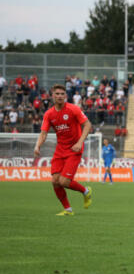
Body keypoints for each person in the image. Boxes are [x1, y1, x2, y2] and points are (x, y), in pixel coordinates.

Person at [33, 84, 93, 216]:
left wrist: (80, 142)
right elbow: (43, 133)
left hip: (74, 149)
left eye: (62, 94)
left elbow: (88, 124)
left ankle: (85, 191)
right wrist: (37, 145)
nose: (60, 96)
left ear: (65, 96)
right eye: (57, 94)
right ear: (52, 96)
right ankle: (68, 209)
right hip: (60, 150)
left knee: (64, 181)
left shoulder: (73, 109)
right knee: (54, 181)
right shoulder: (49, 114)